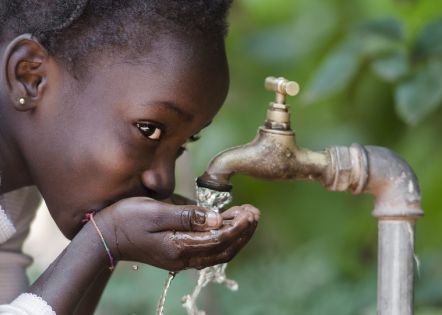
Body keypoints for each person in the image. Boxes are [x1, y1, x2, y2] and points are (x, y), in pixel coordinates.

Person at [0, 1, 260, 314]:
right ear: (31, 76)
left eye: (183, 143)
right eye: (149, 130)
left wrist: (108, 243)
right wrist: (104, 240)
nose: (163, 181)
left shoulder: (14, 189)